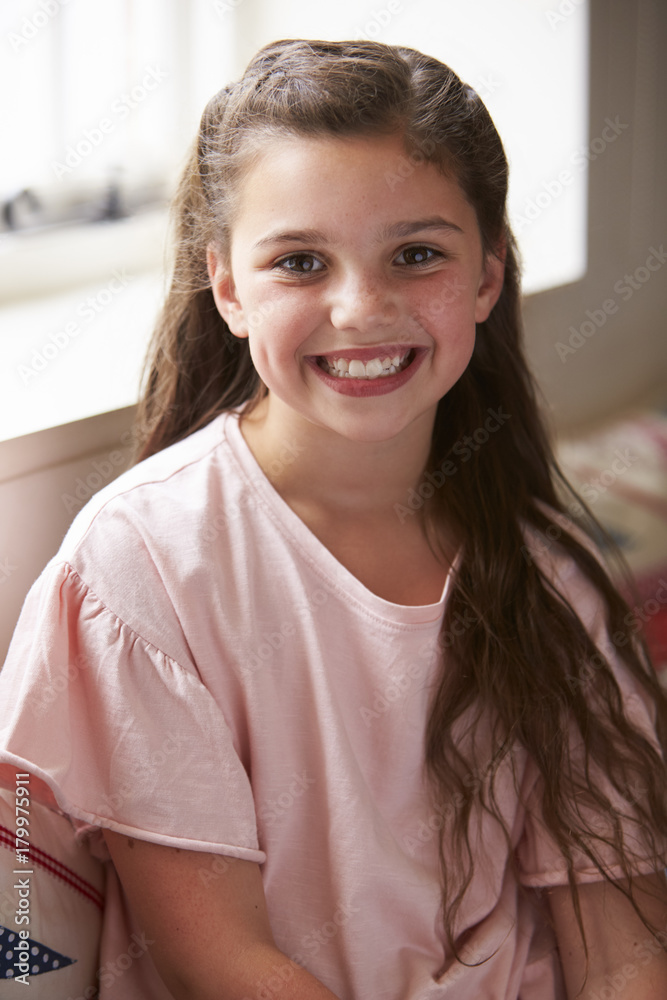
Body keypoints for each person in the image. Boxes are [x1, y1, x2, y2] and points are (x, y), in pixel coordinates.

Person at [1, 37, 666, 1000]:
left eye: (416, 255)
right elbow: (216, 960)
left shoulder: (546, 579)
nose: (361, 308)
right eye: (301, 261)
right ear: (227, 288)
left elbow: (625, 951)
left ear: (485, 277)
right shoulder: (145, 563)